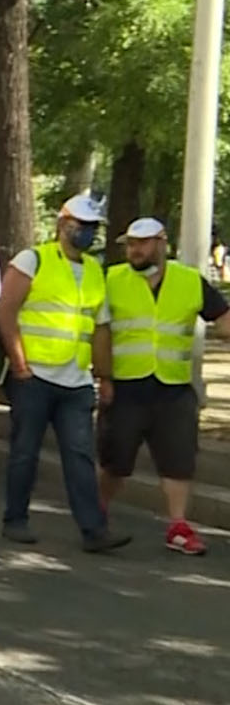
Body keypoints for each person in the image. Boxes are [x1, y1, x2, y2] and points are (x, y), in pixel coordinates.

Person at [0, 192, 130, 552]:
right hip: (34, 375)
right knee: (25, 450)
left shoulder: (94, 272)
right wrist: (20, 363)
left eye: (91, 227)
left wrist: (104, 376)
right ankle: (15, 519)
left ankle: (94, 531)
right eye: (79, 225)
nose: (85, 232)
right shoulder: (33, 259)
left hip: (76, 380)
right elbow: (6, 312)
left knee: (80, 455)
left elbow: (99, 327)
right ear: (62, 224)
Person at [96, 217, 230, 555]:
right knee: (116, 459)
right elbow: (100, 331)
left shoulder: (188, 281)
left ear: (160, 243)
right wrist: (105, 376)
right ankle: (97, 511)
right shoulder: (112, 279)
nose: (135, 250)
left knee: (179, 459)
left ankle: (178, 526)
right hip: (125, 387)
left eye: (141, 243)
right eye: (130, 243)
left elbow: (223, 318)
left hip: (173, 387)